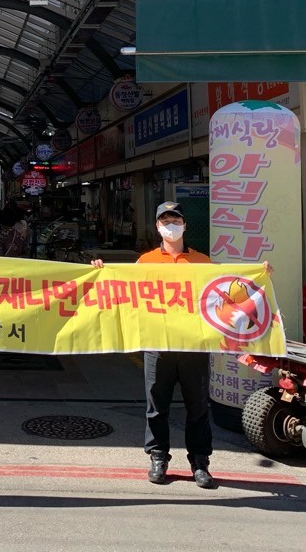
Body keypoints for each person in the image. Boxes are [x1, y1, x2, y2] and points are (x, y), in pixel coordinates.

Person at [92, 201, 216, 489]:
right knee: (156, 406)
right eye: (165, 221)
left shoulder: (203, 262)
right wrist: (101, 271)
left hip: (194, 346)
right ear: (158, 227)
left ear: (185, 225)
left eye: (176, 220)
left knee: (198, 407)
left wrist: (260, 274)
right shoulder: (145, 262)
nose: (171, 226)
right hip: (157, 344)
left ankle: (200, 462)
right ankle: (158, 458)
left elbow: (226, 291)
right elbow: (120, 288)